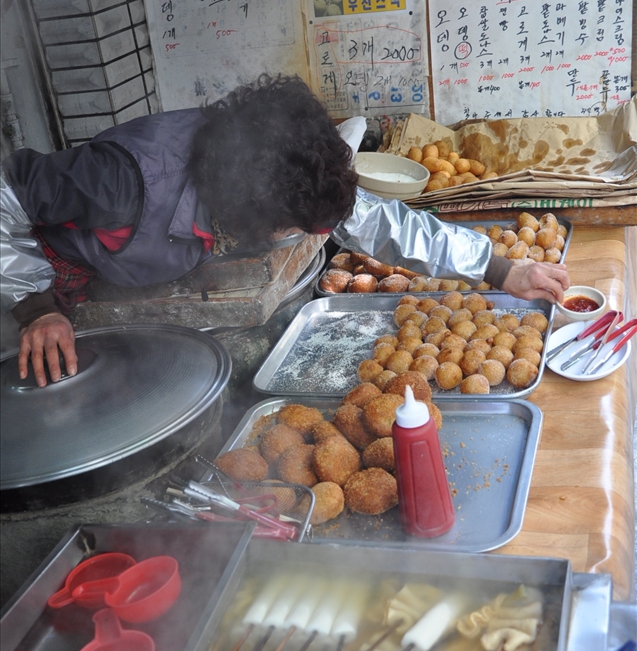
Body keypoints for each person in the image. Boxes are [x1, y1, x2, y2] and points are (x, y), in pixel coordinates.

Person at [1, 74, 569, 387]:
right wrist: (34, 305)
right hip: (41, 285)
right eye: (292, 228)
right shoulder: (122, 181)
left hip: (123, 289)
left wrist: (501, 268)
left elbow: (372, 219)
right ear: (248, 203)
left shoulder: (290, 170)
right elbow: (7, 193)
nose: (300, 235)